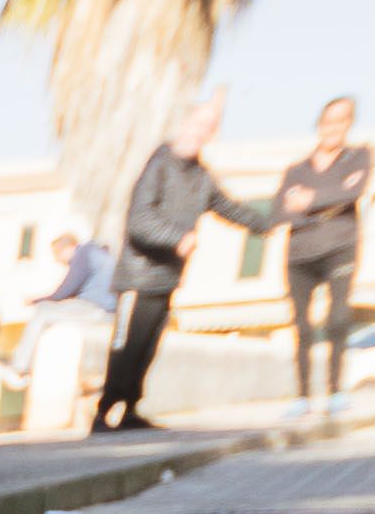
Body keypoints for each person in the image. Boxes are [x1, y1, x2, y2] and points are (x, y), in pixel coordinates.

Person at [93, 94, 276, 433]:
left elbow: (231, 209)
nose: (201, 133)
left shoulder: (202, 178)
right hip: (138, 276)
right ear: (184, 125)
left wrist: (275, 219)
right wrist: (177, 238)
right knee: (126, 346)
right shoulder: (158, 165)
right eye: (198, 125)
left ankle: (131, 409)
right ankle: (104, 413)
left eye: (209, 128)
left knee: (148, 347)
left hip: (167, 278)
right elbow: (139, 220)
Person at [277, 96, 373, 407]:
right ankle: (302, 395)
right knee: (302, 326)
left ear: (349, 124)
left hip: (340, 248)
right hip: (299, 254)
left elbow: (353, 193)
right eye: (329, 121)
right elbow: (280, 210)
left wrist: (309, 200)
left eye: (342, 120)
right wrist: (328, 203)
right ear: (319, 125)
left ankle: (335, 390)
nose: (334, 127)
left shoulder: (359, 158)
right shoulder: (296, 170)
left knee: (338, 318)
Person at [11, 230, 115, 374]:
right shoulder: (95, 252)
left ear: (67, 249)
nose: (57, 260)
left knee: (42, 311)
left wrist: (35, 300)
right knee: (48, 310)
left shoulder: (84, 253)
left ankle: (19, 367)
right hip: (103, 309)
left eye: (56, 255)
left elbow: (65, 291)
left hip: (96, 309)